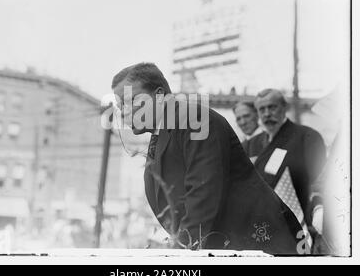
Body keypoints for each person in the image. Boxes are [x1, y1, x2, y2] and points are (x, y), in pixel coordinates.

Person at [111, 62, 303, 254]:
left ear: (159, 95)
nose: (124, 110)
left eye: (132, 100)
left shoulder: (194, 119)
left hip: (259, 246)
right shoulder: (162, 134)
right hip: (223, 247)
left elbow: (203, 193)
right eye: (120, 105)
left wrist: (182, 252)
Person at [244, 89, 326, 250]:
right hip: (260, 226)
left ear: (284, 107)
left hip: (297, 227)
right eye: (262, 109)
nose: (267, 113)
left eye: (272, 107)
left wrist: (319, 208)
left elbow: (320, 180)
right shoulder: (251, 144)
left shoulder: (307, 137)